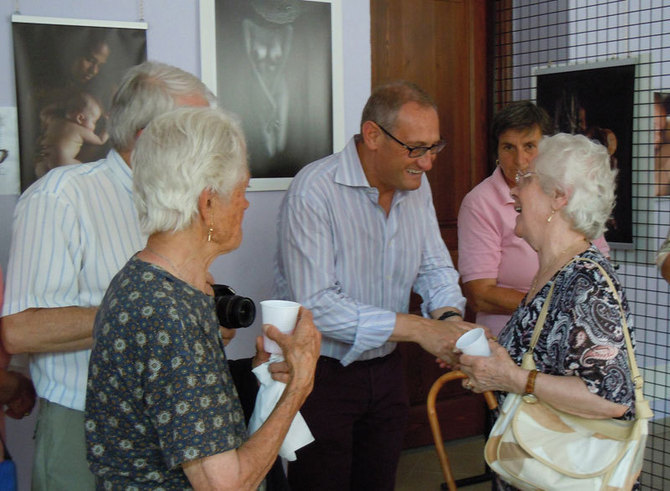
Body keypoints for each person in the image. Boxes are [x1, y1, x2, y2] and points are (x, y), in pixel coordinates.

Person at [0, 61, 214, 490]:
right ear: (146, 137)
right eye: (195, 129)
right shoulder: (61, 196)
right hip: (84, 425)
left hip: (172, 424)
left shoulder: (183, 203)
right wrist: (149, 316)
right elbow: (20, 332)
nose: (209, 145)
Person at [85, 106, 320, 488]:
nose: (246, 203)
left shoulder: (154, 281)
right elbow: (224, 485)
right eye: (242, 190)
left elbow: (176, 404)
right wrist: (299, 386)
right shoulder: (164, 309)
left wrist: (255, 372)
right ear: (207, 204)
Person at [275, 81, 477, 490]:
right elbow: (316, 304)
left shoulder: (415, 187)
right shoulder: (314, 190)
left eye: (434, 148)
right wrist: (422, 330)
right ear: (372, 136)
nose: (427, 163)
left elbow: (435, 266)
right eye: (416, 148)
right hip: (320, 375)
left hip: (386, 372)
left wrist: (449, 321)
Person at [458, 133, 638, 490]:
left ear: (559, 198)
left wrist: (511, 379)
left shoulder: (587, 283)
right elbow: (541, 359)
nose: (513, 190)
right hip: (534, 470)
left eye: (527, 179)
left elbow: (609, 399)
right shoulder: (553, 273)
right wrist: (494, 362)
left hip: (569, 475)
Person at [458, 101, 610, 336]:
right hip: (509, 335)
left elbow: (599, 266)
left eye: (529, 146)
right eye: (508, 147)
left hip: (572, 331)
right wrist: (555, 307)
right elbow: (480, 294)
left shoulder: (566, 190)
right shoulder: (480, 202)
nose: (520, 160)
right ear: (496, 151)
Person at [34, 92, 109, 177]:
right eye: (94, 122)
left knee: (43, 179)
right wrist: (109, 125)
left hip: (44, 160)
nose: (94, 126)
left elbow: (44, 113)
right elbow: (100, 140)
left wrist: (60, 105)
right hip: (63, 161)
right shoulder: (81, 130)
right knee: (86, 170)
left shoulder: (55, 120)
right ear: (80, 118)